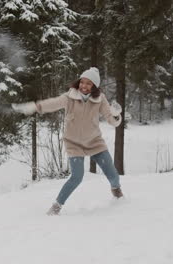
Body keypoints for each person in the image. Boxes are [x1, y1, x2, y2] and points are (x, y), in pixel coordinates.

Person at [13, 67, 124, 216]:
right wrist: (36, 107)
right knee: (76, 177)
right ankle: (56, 206)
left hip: (94, 141)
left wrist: (116, 115)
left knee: (112, 174)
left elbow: (111, 120)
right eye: (82, 82)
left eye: (88, 84)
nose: (83, 86)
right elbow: (53, 103)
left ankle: (117, 194)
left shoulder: (100, 99)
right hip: (74, 143)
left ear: (94, 87)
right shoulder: (70, 96)